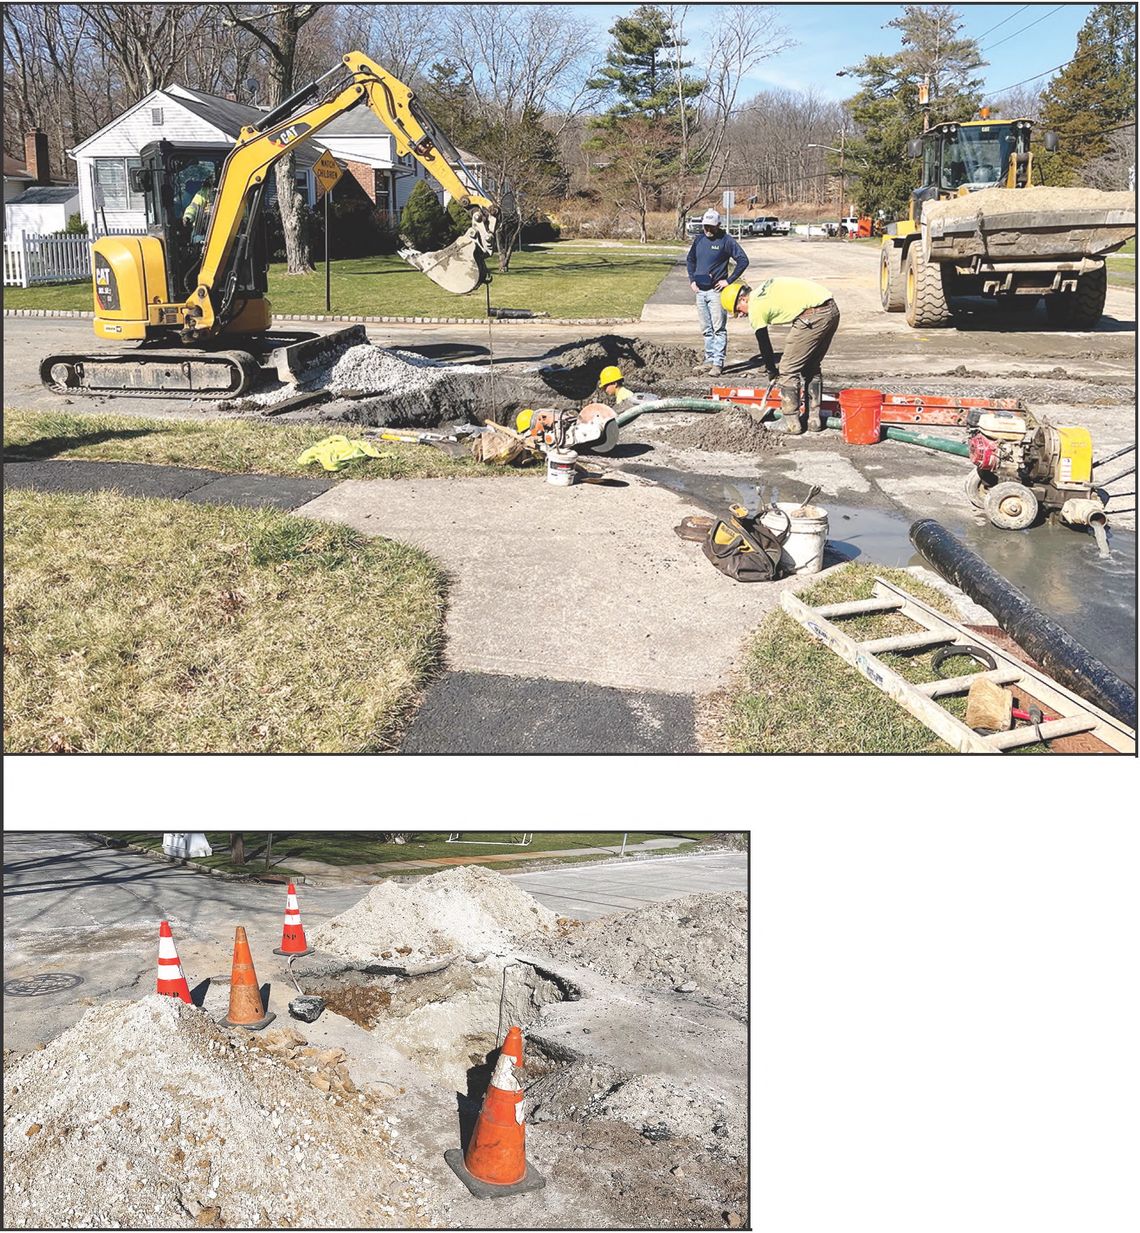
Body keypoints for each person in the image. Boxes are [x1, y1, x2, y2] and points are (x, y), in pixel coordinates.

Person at [721, 278, 840, 434]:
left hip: (812, 316)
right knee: (811, 366)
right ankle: (813, 420)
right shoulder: (764, 288)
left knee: (787, 370)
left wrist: (772, 371)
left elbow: (763, 342)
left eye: (739, 310)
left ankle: (791, 422)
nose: (741, 314)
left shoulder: (756, 305)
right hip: (832, 309)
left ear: (743, 299)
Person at [686, 209, 749, 379]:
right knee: (706, 328)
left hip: (716, 292)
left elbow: (743, 260)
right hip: (700, 291)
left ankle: (717, 363)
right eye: (705, 226)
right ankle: (708, 359)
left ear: (718, 225)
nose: (707, 230)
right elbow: (690, 260)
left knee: (718, 329)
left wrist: (729, 281)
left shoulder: (726, 241)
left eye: (711, 227)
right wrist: (692, 280)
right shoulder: (699, 239)